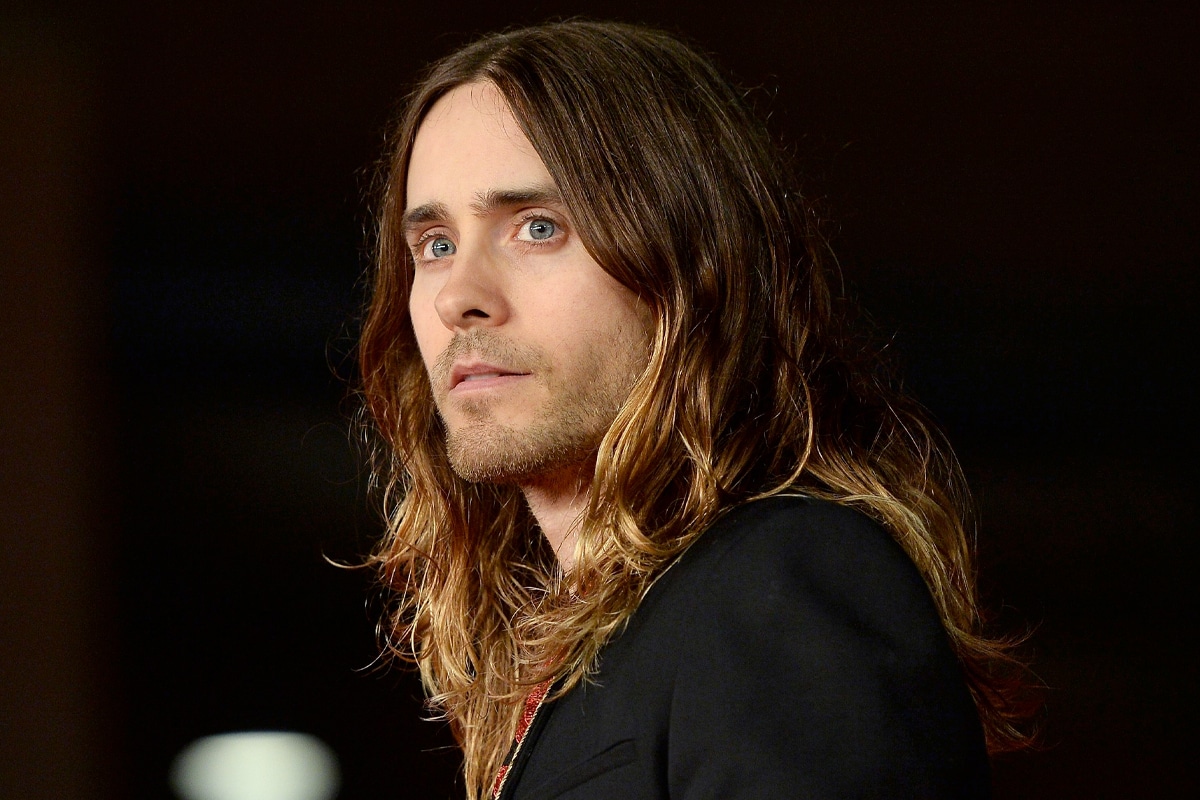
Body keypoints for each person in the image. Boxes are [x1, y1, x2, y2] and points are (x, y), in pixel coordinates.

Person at [358, 20, 1032, 800]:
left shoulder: (779, 584)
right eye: (434, 244)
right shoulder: (587, 657)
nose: (458, 297)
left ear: (689, 267)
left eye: (537, 228)